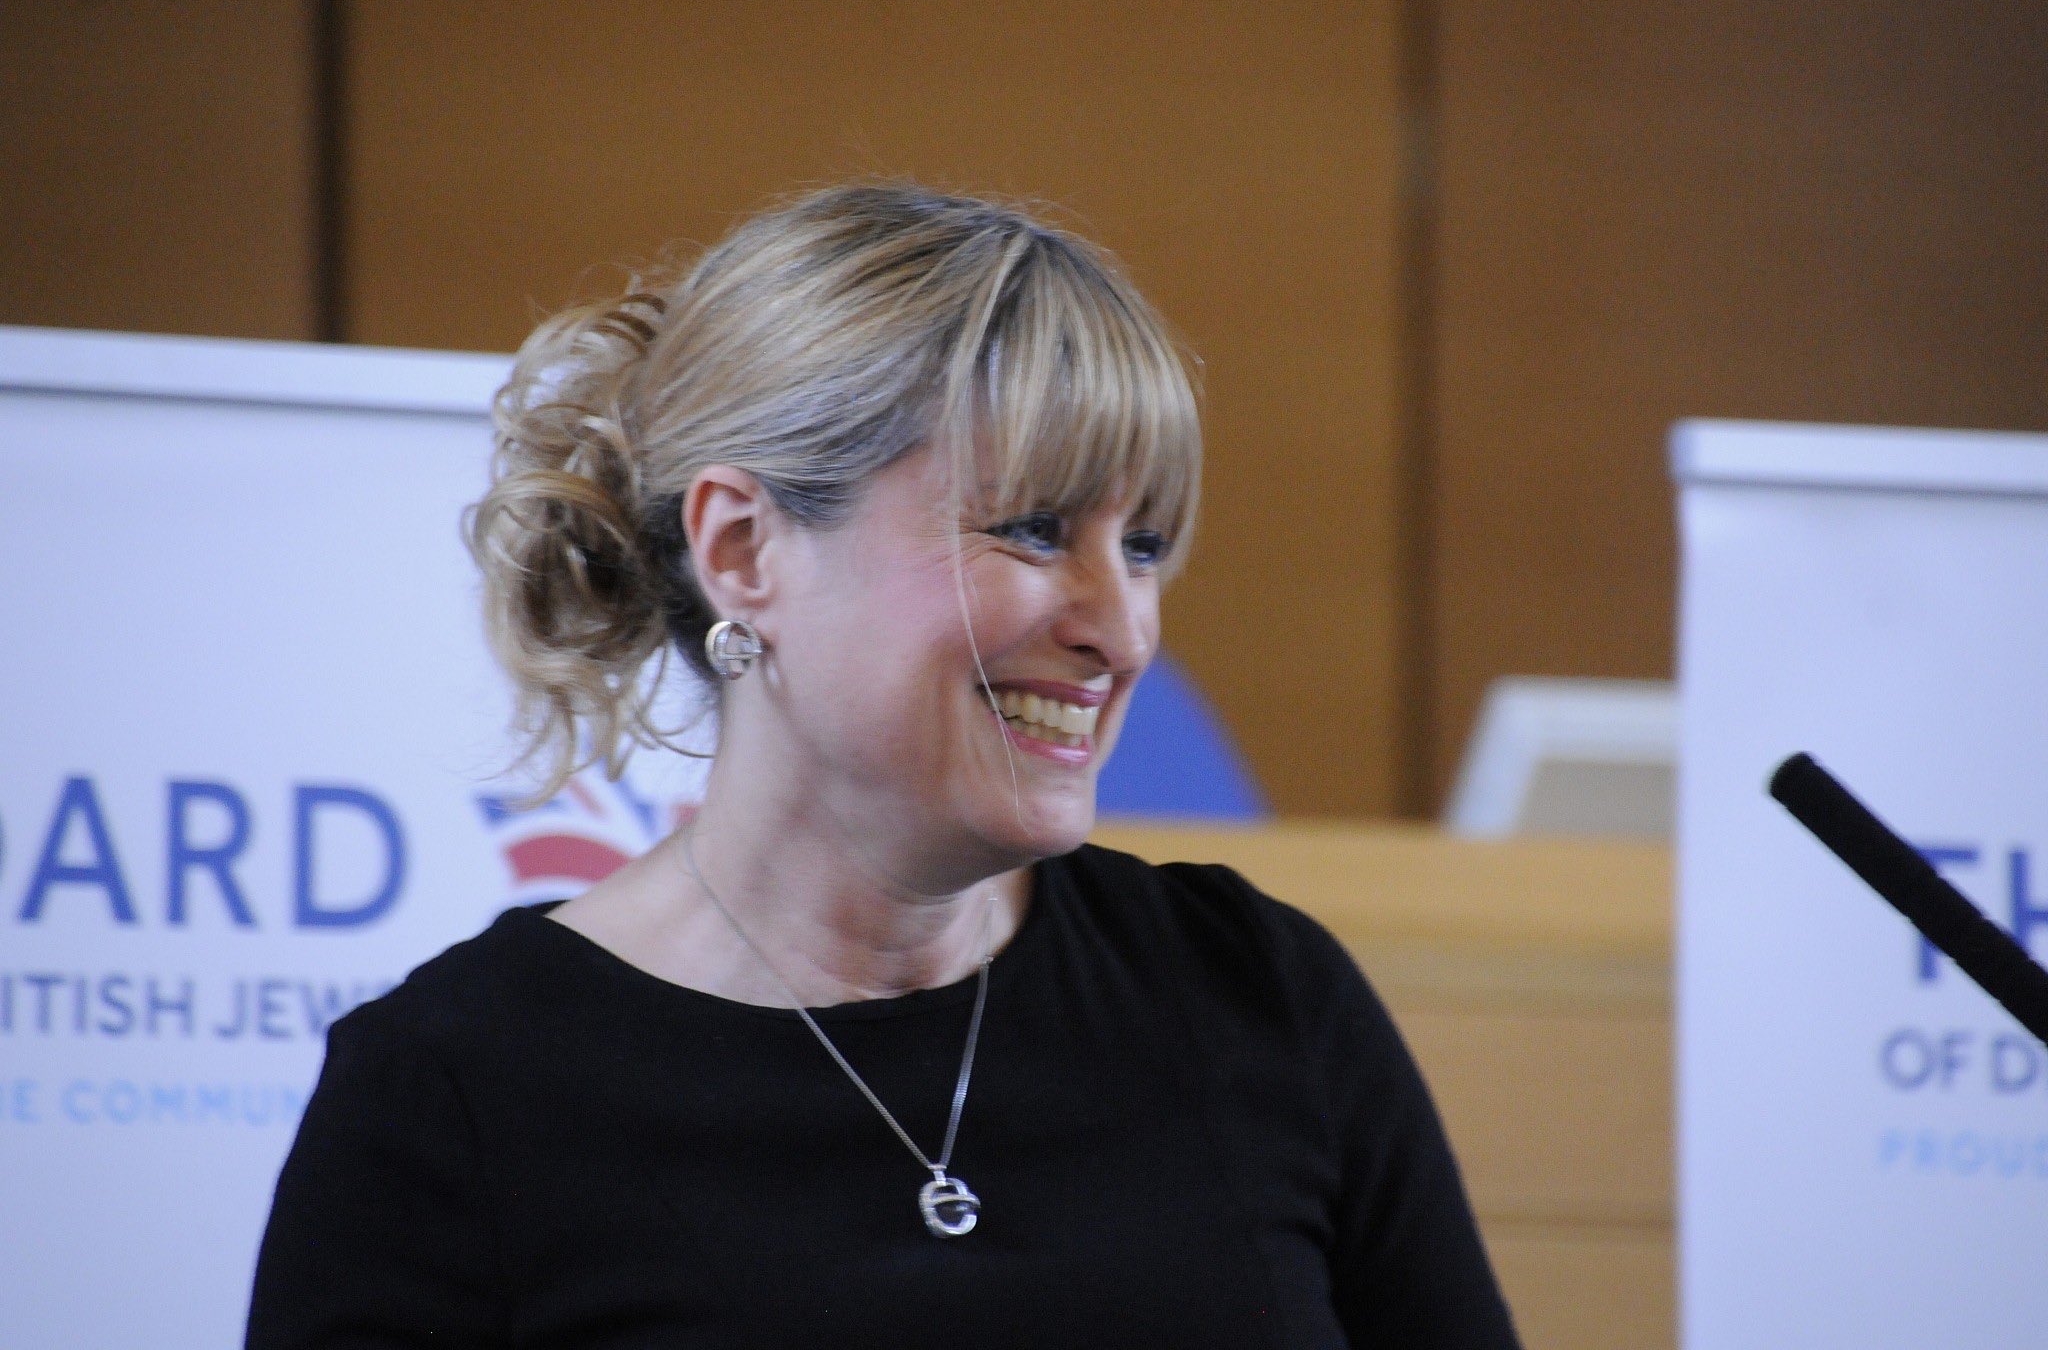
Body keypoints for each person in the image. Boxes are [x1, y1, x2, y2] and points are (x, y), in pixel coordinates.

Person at [244, 182, 1521, 1348]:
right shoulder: (453, 1089)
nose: (1122, 630)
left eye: (1140, 546)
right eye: (1032, 529)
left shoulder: (1257, 996)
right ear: (743, 549)